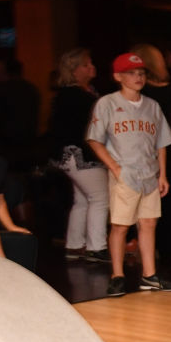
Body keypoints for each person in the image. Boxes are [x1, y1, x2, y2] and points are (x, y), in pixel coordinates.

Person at [85, 52, 171, 297]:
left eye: (141, 73)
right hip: (124, 172)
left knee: (148, 223)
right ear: (118, 76)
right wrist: (114, 167)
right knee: (120, 225)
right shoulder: (107, 103)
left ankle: (149, 275)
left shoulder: (152, 105)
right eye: (131, 73)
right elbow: (95, 140)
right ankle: (117, 275)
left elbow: (161, 142)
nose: (138, 77)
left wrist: (163, 174)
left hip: (149, 172)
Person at [47, 48, 110, 263]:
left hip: (69, 155)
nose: (91, 67)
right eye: (86, 64)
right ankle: (96, 248)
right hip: (80, 154)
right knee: (100, 197)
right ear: (74, 71)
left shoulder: (77, 94)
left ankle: (75, 245)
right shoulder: (76, 96)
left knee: (82, 200)